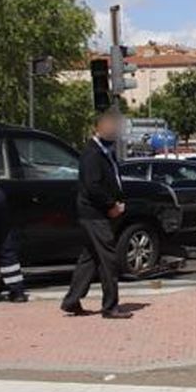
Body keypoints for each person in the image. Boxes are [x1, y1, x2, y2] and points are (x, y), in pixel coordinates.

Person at [62, 110, 130, 319]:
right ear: (98, 128)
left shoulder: (105, 152)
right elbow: (93, 186)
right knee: (109, 258)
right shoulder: (92, 154)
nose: (114, 129)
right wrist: (111, 204)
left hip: (97, 212)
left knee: (89, 257)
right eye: (110, 125)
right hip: (95, 214)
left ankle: (71, 300)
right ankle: (110, 306)